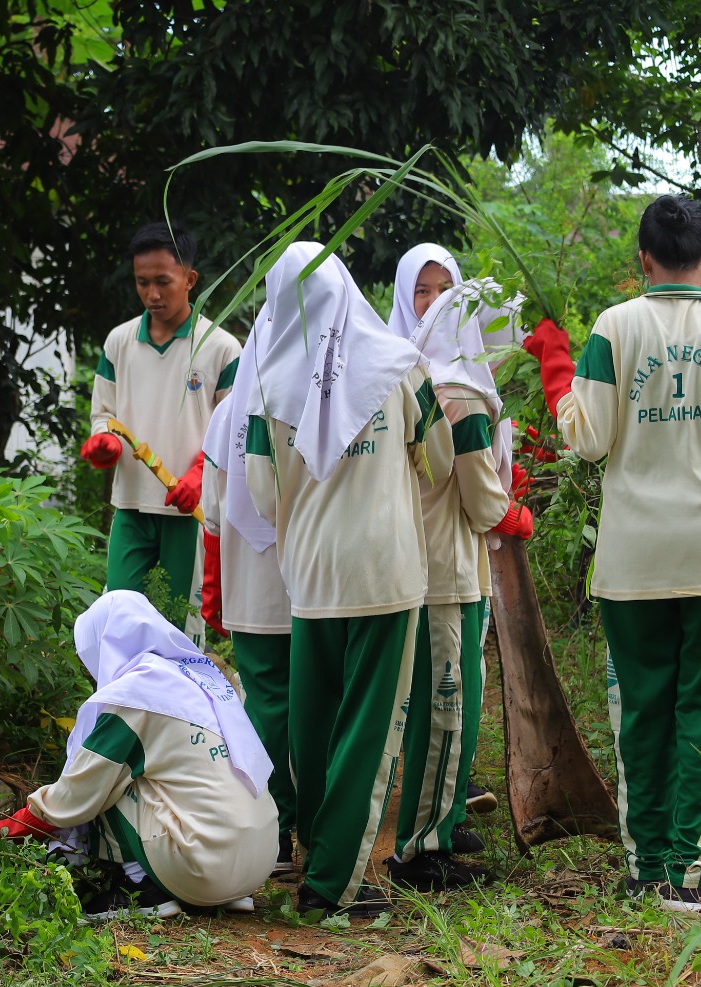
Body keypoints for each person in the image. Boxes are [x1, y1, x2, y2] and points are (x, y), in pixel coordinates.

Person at [528, 194, 701, 913]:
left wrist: (558, 372)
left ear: (643, 260)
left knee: (640, 709)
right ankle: (690, 871)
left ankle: (645, 867)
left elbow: (586, 441)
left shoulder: (614, 328)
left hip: (634, 556)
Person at [245, 242, 454, 918]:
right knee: (369, 724)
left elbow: (261, 490)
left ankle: (317, 855)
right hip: (384, 571)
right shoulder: (400, 365)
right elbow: (441, 459)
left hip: (312, 574)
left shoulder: (268, 383)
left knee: (312, 722)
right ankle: (334, 884)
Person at [0, 591, 279, 920]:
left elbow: (76, 793)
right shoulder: (204, 681)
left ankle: (141, 887)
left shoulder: (139, 695)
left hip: (203, 869)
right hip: (259, 862)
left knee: (108, 777)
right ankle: (227, 893)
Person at [388, 278, 530, 890]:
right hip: (447, 571)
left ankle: (439, 827)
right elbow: (480, 498)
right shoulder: (462, 397)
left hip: (419, 562)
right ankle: (422, 851)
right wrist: (514, 514)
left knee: (438, 705)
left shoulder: (412, 381)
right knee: (446, 708)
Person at [82, 223, 242, 614]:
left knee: (180, 620)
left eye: (162, 282)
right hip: (131, 503)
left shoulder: (221, 347)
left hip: (191, 510)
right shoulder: (118, 342)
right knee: (118, 612)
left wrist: (199, 476)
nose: (152, 294)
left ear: (189, 280)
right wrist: (104, 443)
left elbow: (234, 431)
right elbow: (104, 416)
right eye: (142, 282)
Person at [200, 309, 299, 874]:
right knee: (316, 702)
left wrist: (215, 590)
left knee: (264, 705)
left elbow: (213, 513)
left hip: (248, 582)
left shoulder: (228, 411)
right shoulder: (317, 403)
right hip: (311, 583)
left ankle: (273, 833)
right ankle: (316, 828)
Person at [388, 243, 464, 339]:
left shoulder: (478, 343)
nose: (436, 303)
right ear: (405, 299)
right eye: (423, 291)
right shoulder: (389, 348)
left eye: (445, 289)